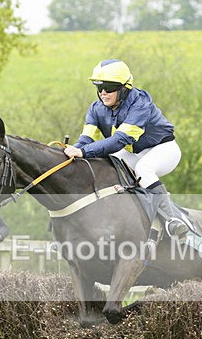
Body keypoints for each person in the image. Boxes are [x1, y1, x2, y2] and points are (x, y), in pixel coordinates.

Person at [64, 58, 188, 237]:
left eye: (109, 87)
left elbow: (118, 141)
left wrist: (83, 151)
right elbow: (86, 140)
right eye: (99, 88)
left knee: (143, 169)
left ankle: (172, 220)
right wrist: (70, 152)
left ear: (124, 88)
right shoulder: (95, 109)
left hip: (163, 149)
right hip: (133, 152)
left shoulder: (141, 104)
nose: (103, 93)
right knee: (108, 168)